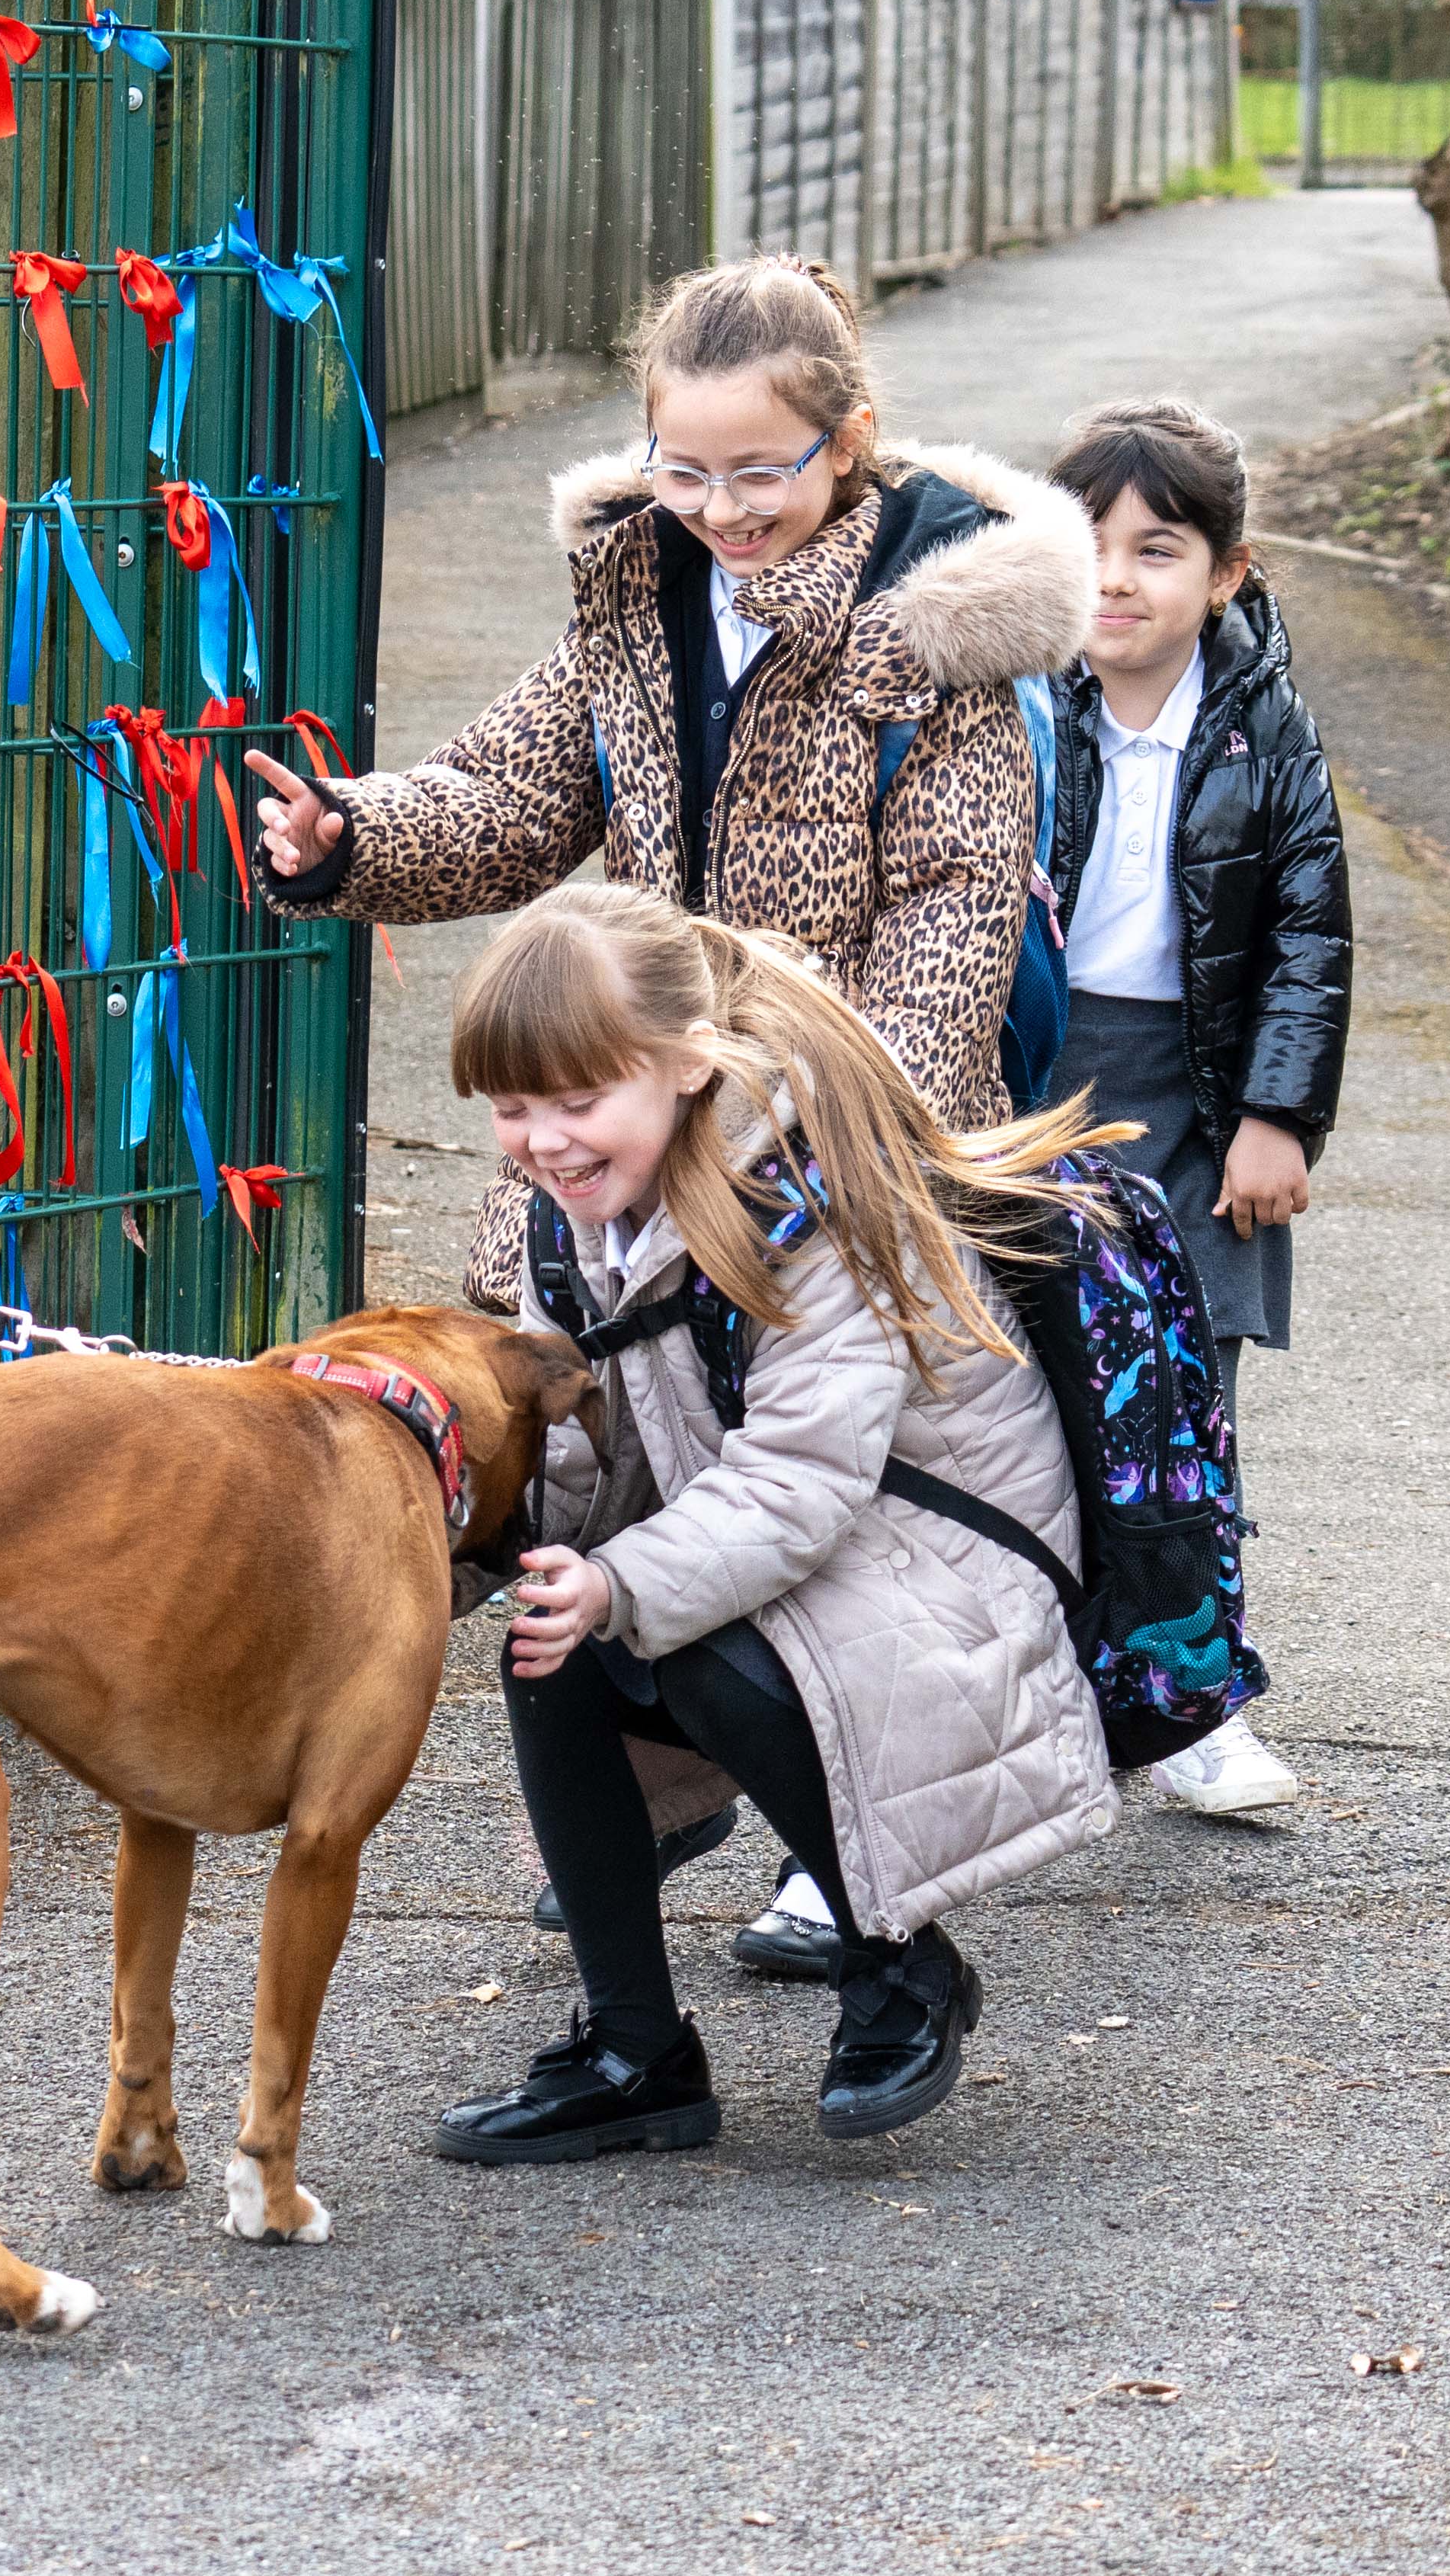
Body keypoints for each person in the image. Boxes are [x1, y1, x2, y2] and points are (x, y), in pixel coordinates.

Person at [245, 252, 1091, 1977]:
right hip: (622, 1118)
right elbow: (510, 789)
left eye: (758, 472)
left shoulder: (930, 639)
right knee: (602, 1485)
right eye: (682, 469)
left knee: (822, 1507)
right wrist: (355, 837)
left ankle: (840, 1854)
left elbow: (949, 911)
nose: (719, 509)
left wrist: (819, 1133)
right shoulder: (634, 592)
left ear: (845, 445)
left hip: (822, 1142)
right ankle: (651, 1818)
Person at [425, 888, 1117, 2162]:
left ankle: (897, 1961)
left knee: (678, 1634)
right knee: (550, 1631)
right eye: (512, 1109)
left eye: (577, 1101)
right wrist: (460, 1552)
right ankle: (635, 2051)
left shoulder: (812, 1195)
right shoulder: (562, 1221)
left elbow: (802, 1480)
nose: (543, 1140)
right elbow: (585, 1465)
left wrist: (619, 1582)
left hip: (949, 1561)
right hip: (796, 1541)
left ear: (686, 1064)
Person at [1040, 397, 1352, 1818]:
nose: (1114, 577)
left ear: (1224, 572)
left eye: (1154, 548)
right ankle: (1026, 1690)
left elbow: (1306, 929)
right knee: (1008, 1389)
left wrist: (1277, 1116)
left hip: (1197, 1091)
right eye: (1087, 544)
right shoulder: (1016, 702)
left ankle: (1194, 1698)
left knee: (1181, 1401)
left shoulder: (1265, 727)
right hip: (1032, 1088)